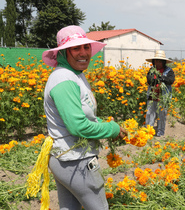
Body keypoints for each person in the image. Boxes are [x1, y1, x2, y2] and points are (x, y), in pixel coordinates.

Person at [42, 25, 127, 209]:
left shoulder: (74, 75)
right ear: (63, 52)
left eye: (86, 47)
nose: (83, 52)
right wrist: (111, 129)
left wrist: (106, 125)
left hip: (68, 160)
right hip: (75, 161)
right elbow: (78, 126)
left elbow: (85, 118)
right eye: (76, 48)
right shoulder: (64, 79)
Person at [145, 50, 175, 137]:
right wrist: (156, 79)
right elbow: (149, 80)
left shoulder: (169, 71)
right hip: (152, 97)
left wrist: (162, 78)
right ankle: (148, 132)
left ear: (163, 62)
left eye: (160, 61)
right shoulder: (152, 70)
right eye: (156, 61)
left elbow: (171, 80)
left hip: (163, 98)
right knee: (150, 114)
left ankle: (160, 133)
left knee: (162, 116)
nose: (158, 63)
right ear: (154, 61)